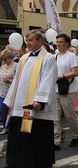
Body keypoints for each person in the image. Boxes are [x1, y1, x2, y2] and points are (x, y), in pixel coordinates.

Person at [4, 30, 58, 168]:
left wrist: (40, 100)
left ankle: (38, 162)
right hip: (20, 104)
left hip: (35, 104)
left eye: (31, 40)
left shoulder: (48, 58)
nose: (28, 43)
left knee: (37, 135)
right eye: (27, 40)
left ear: (40, 41)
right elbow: (17, 80)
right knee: (19, 135)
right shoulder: (23, 58)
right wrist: (11, 100)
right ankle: (18, 161)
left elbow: (48, 79)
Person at [54, 33, 78, 150]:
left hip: (68, 89)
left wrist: (62, 76)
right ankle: (56, 140)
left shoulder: (71, 56)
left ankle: (76, 135)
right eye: (57, 42)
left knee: (69, 115)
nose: (58, 44)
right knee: (55, 116)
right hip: (55, 88)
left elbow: (75, 72)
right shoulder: (54, 56)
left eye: (61, 42)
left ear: (66, 43)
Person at [0, 49, 17, 135]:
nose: (4, 61)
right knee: (3, 111)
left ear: (10, 57)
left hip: (11, 92)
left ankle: (13, 128)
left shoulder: (16, 66)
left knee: (11, 111)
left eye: (5, 59)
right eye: (3, 59)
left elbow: (18, 79)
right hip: (2, 92)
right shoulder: (2, 67)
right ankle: (5, 127)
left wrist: (10, 81)